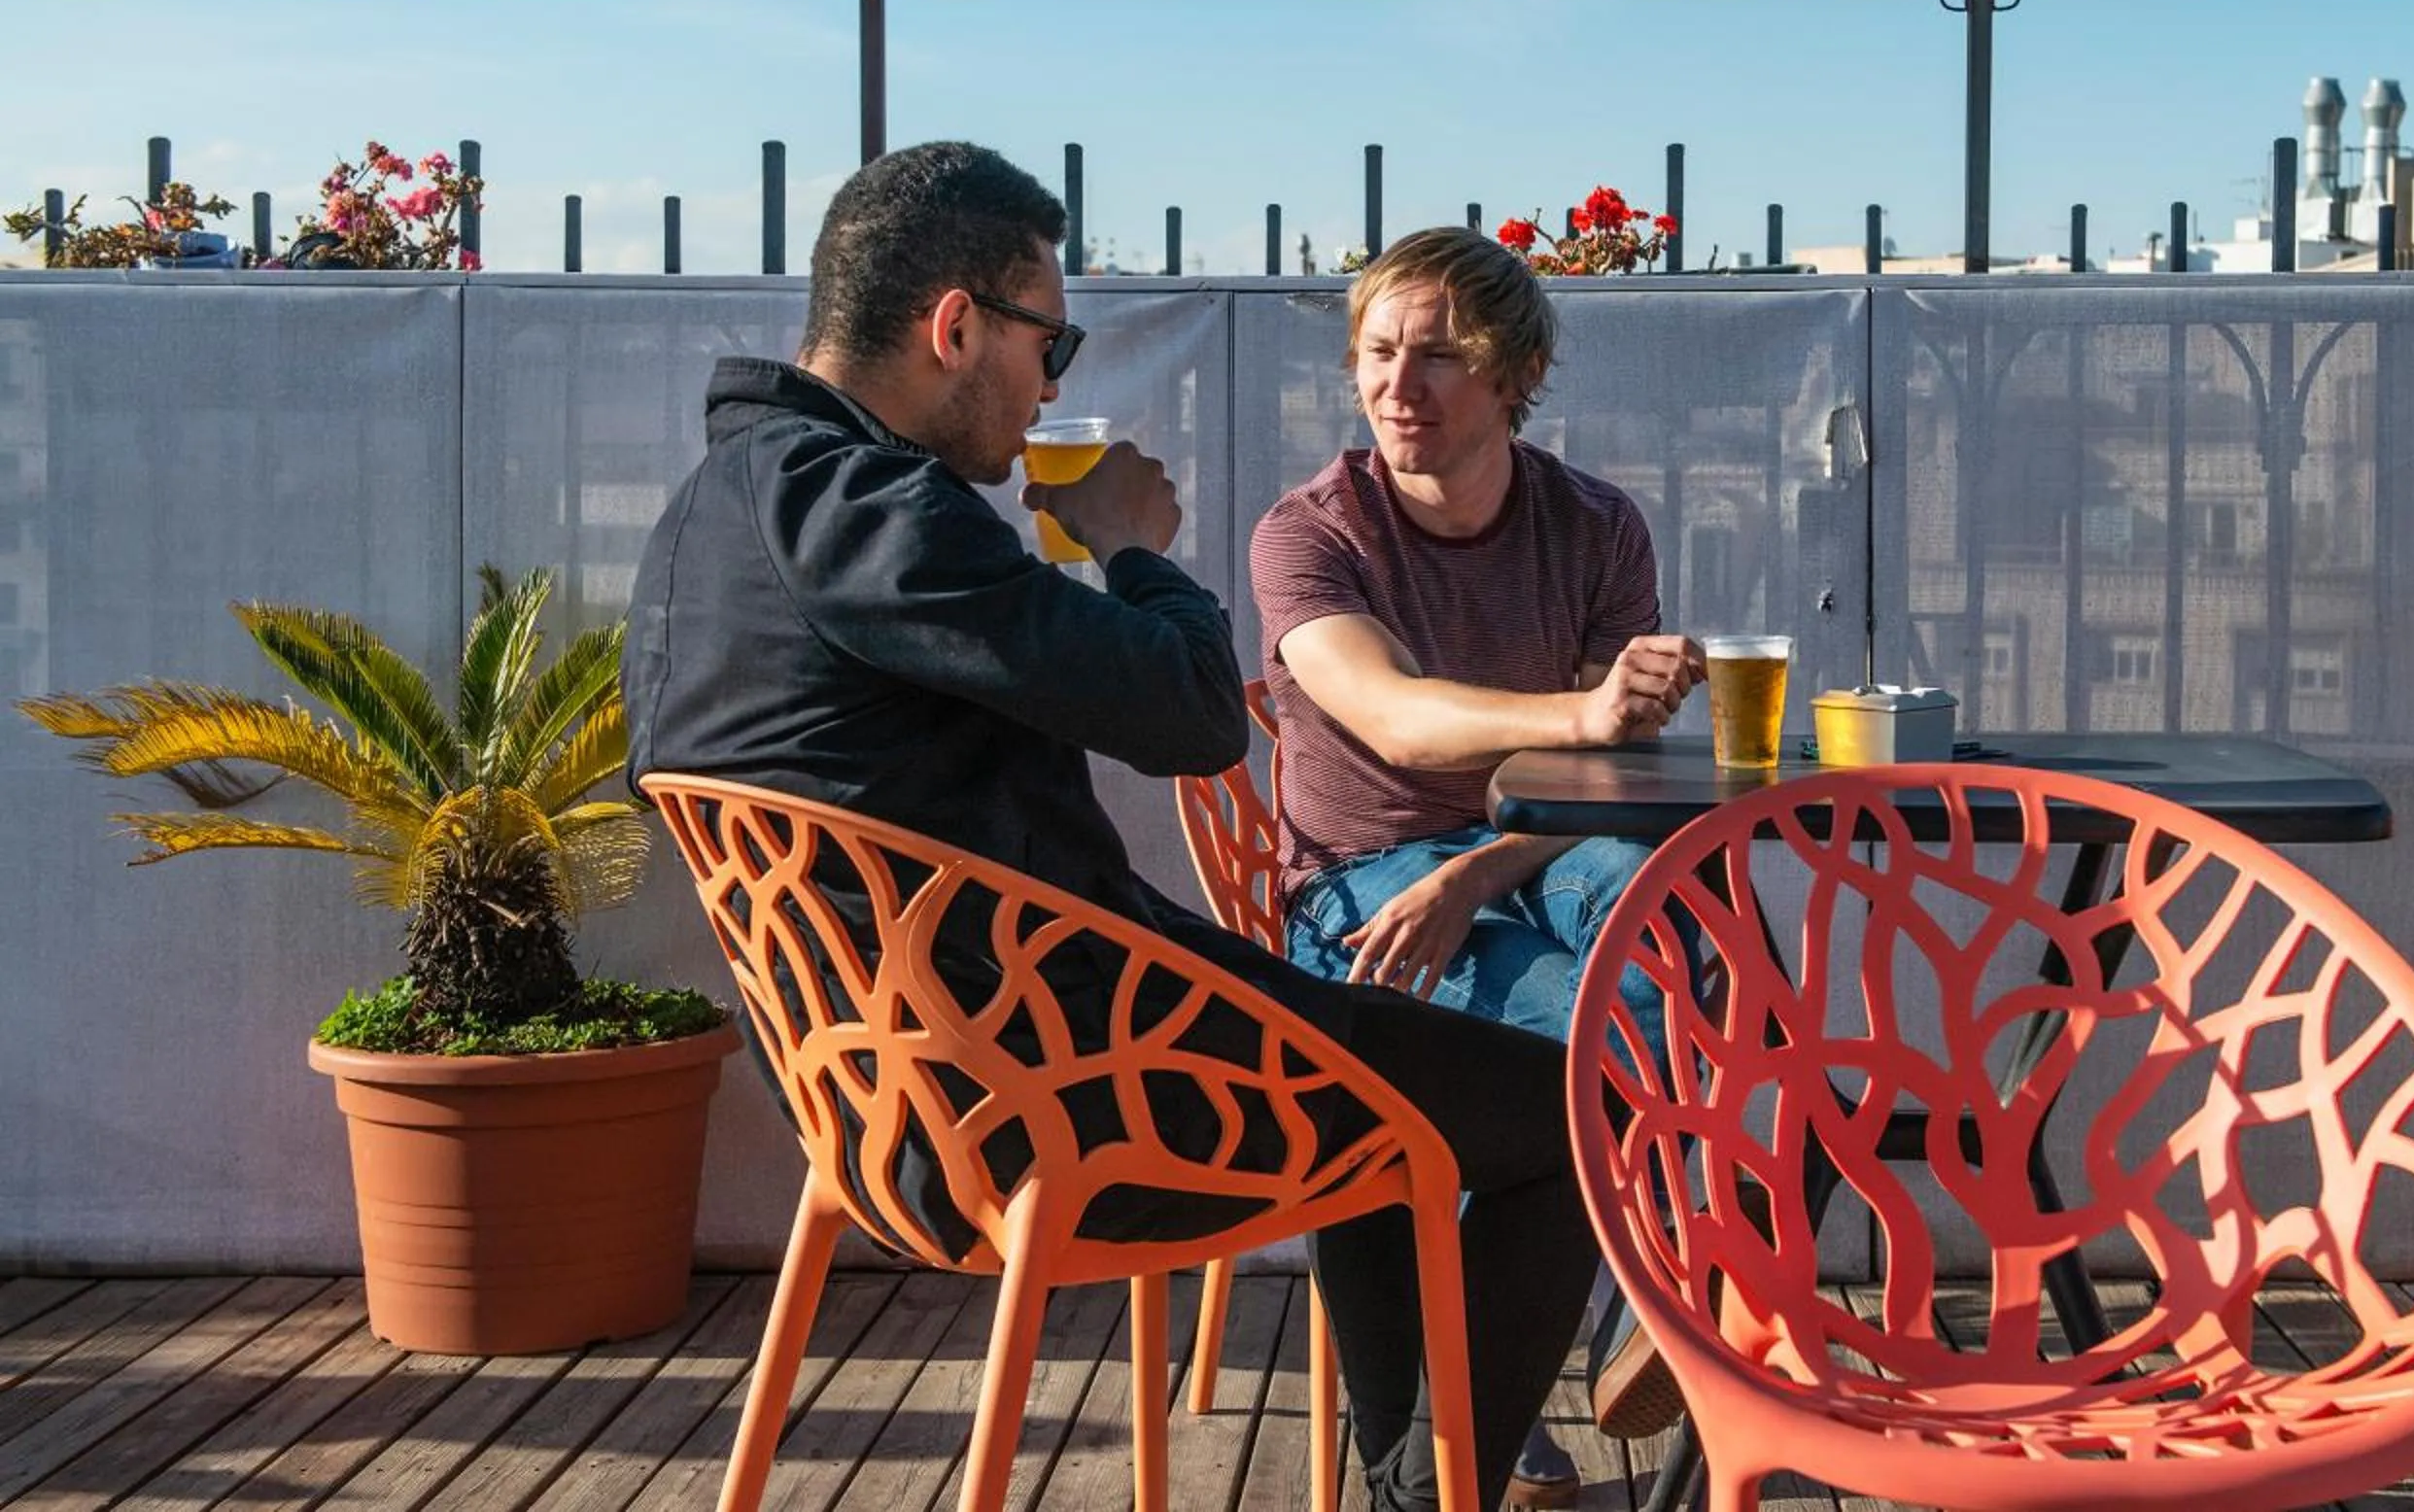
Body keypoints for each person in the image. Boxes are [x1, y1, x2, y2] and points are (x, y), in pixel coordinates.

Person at [623, 144, 1596, 1512]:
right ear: (956, 327)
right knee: (1566, 1111)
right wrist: (1133, 543)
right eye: (1050, 339)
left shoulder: (704, 519)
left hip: (882, 1108)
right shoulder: (873, 511)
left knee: (1397, 1077)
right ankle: (1427, 1494)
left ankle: (1409, 1482)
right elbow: (1198, 713)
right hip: (1074, 1094)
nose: (1052, 384)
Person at [1248, 225, 1704, 1446]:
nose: (1401, 385)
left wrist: (1486, 868)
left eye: (1440, 356)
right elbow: (1394, 719)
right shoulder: (1311, 531)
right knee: (1588, 1036)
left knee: (1675, 913)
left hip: (1537, 845)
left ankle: (1641, 1299)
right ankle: (1532, 1369)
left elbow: (1615, 773)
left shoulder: (1596, 523)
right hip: (1363, 885)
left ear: (1516, 374)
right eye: (1379, 352)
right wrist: (1581, 715)